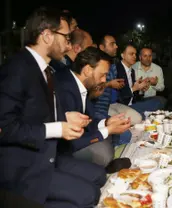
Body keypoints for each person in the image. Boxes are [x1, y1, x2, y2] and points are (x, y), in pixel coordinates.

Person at [0, 7, 106, 207]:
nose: (69, 45)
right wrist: (58, 128)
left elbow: (34, 112)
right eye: (66, 37)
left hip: (49, 155)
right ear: (47, 36)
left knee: (100, 177)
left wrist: (66, 117)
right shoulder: (17, 69)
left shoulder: (45, 69)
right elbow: (5, 128)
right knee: (88, 196)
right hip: (25, 167)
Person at [55, 47, 132, 167]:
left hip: (76, 138)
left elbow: (88, 121)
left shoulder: (81, 84)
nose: (104, 80)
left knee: (110, 137)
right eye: (102, 75)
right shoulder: (65, 89)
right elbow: (70, 140)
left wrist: (106, 122)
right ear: (87, 70)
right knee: (103, 153)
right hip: (59, 149)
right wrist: (108, 130)